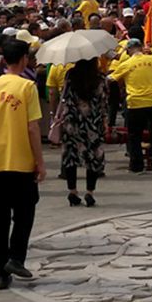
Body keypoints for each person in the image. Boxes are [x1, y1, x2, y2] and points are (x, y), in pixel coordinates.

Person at [0, 39, 45, 290]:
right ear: (24, 60)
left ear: (4, 59)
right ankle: (16, 257)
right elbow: (32, 127)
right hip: (21, 161)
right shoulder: (27, 87)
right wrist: (40, 162)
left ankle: (1, 272)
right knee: (25, 213)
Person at [109, 38, 152, 173]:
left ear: (129, 49)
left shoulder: (127, 64)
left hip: (135, 102)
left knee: (134, 135)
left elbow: (111, 79)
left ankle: (136, 165)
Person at [60, 58, 107, 206]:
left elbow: (65, 96)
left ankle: (72, 191)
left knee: (71, 156)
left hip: (72, 122)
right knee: (93, 157)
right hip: (93, 122)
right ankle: (89, 192)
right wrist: (104, 121)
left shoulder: (70, 75)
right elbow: (104, 101)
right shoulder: (100, 78)